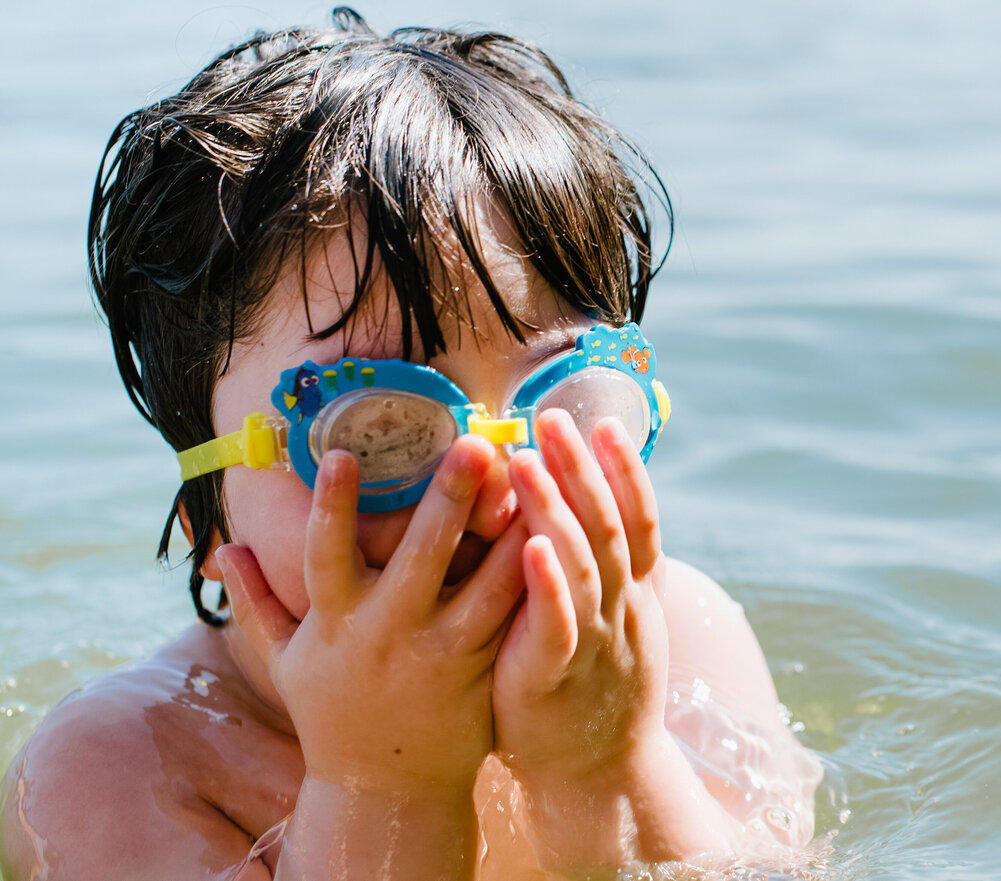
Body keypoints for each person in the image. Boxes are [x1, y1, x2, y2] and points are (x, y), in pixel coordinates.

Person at [0, 10, 821, 879]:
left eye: (559, 411)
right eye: (380, 431)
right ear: (206, 514)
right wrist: (382, 788)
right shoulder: (121, 772)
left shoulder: (678, 638)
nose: (496, 485)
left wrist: (606, 759)